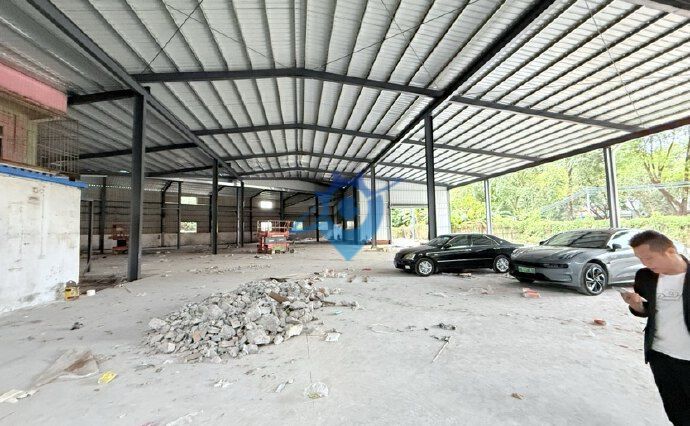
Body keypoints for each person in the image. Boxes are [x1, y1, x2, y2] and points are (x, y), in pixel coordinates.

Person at [623, 230, 690, 425]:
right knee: (675, 408)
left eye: (649, 258)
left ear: (670, 251)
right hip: (660, 355)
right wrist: (636, 306)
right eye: (640, 259)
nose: (645, 263)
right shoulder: (645, 276)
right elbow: (648, 310)